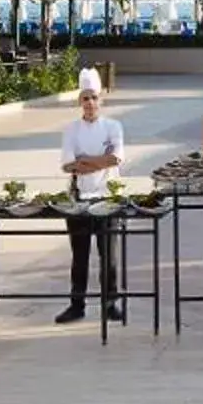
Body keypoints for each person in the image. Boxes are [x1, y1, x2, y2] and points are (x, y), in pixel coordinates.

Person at [55, 70, 127, 324]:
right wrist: (99, 161)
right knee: (80, 256)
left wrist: (84, 160)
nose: (90, 103)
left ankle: (110, 305)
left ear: (101, 99)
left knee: (109, 256)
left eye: (94, 97)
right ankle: (77, 305)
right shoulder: (71, 130)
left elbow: (115, 158)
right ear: (79, 101)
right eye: (85, 98)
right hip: (79, 199)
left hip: (107, 197)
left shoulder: (113, 126)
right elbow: (67, 165)